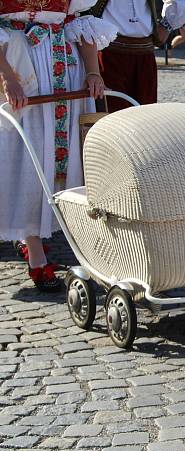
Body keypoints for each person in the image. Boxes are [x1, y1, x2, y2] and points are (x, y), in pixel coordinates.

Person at [1, 0, 115, 291]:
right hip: (23, 70)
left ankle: (86, 239)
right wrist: (7, 76)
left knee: (74, 156)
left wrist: (92, 72)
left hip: (66, 69)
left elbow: (78, 23)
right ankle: (34, 249)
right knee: (27, 153)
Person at [89, 0, 185, 112]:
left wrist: (168, 24)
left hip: (143, 53)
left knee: (145, 117)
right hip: (109, 53)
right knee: (113, 117)